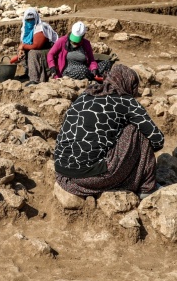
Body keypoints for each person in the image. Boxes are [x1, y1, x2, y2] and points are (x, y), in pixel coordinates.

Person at [53, 64, 164, 199]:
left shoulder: (85, 94)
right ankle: (146, 187)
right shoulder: (125, 100)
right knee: (136, 130)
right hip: (91, 176)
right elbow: (157, 139)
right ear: (128, 83)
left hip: (63, 171)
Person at [10, 7, 58, 85]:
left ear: (36, 18)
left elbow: (36, 46)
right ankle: (28, 72)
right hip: (40, 51)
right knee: (21, 50)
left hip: (50, 51)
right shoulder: (25, 29)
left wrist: (23, 46)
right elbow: (23, 43)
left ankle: (35, 79)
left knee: (32, 53)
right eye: (27, 20)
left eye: (32, 19)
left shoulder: (41, 27)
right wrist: (21, 49)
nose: (29, 22)